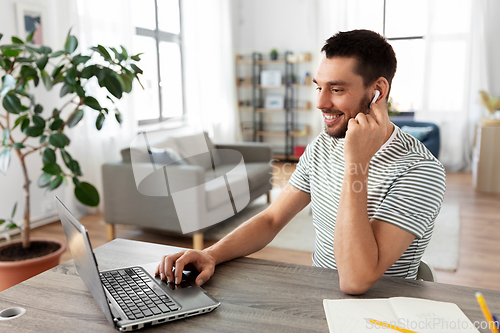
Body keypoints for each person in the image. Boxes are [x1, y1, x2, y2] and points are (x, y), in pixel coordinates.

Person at [155, 29, 446, 295]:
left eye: (337, 89)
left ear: (377, 91)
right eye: (319, 87)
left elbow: (356, 280)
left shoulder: (420, 170)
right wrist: (212, 253)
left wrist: (356, 162)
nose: (320, 103)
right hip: (318, 294)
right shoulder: (322, 145)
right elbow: (271, 220)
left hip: (383, 309)